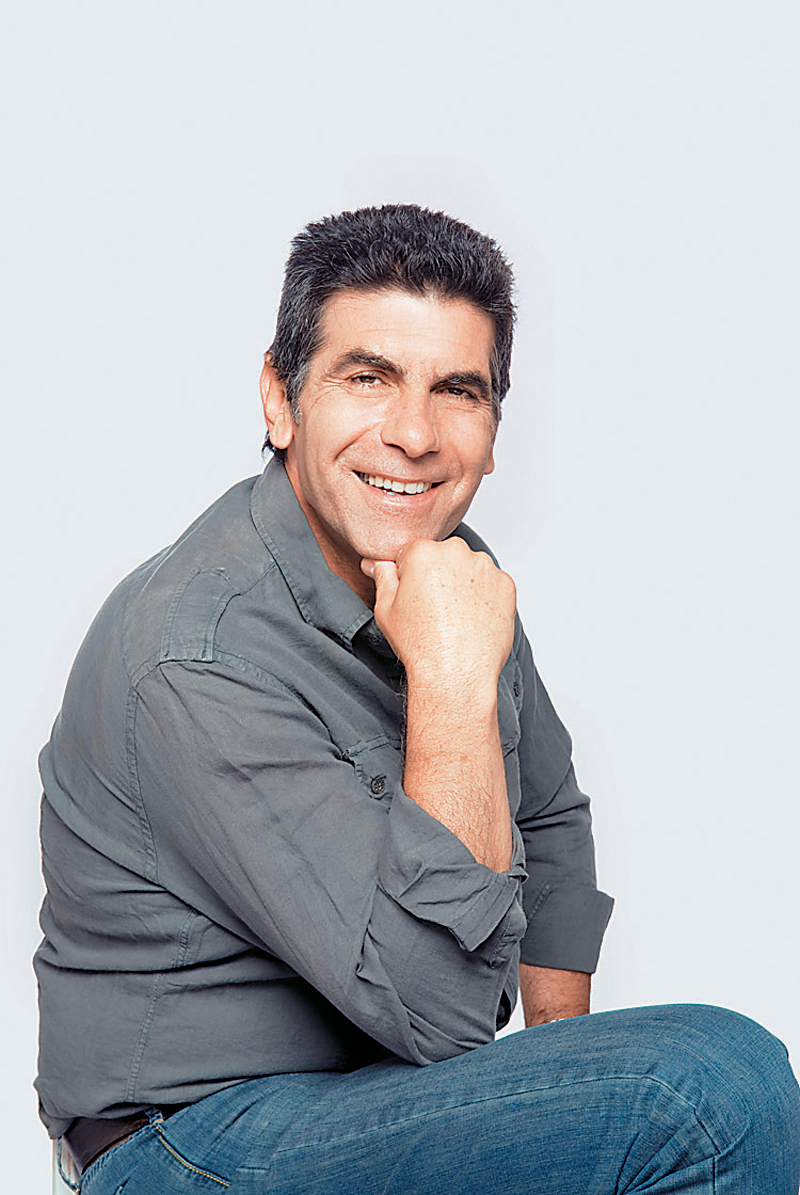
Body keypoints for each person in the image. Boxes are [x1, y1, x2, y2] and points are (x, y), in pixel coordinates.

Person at [36, 205, 799, 1194]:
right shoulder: (196, 653)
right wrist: (449, 682)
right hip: (187, 1137)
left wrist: (559, 1067)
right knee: (706, 1091)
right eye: (369, 377)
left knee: (687, 1095)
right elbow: (439, 1015)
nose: (413, 434)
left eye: (457, 391)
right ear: (280, 399)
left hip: (371, 1102)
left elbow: (549, 824)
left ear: (494, 429)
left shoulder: (449, 571)